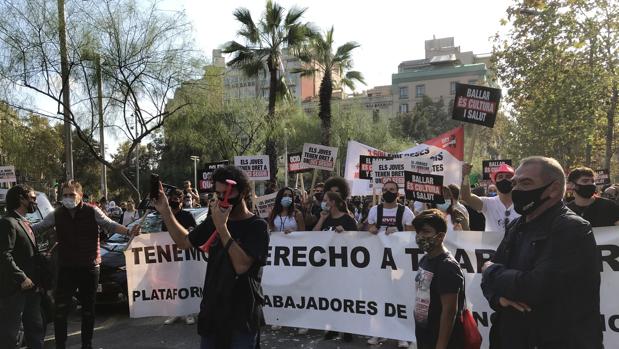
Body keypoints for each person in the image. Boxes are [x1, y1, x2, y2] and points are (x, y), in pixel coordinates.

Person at [481, 156, 602, 348]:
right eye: (515, 183)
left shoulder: (572, 228)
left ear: (553, 189)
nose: (517, 190)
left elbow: (535, 287)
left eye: (526, 183)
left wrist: (490, 270)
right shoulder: (516, 225)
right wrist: (499, 298)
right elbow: (488, 284)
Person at [153, 166, 269, 348]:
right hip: (213, 312)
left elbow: (242, 266)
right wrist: (166, 211)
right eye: (218, 194)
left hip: (242, 315)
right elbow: (184, 242)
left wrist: (222, 228)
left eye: (228, 193)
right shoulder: (214, 219)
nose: (223, 200)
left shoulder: (257, 226)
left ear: (243, 192)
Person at [31, 180, 140, 349]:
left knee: (88, 311)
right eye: (65, 195)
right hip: (66, 268)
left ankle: (86, 345)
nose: (67, 198)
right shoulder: (57, 213)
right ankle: (61, 345)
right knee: (60, 311)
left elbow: (109, 225)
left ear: (80, 195)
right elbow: (39, 227)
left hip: (90, 267)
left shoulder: (92, 211)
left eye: (71, 194)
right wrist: (18, 226)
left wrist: (128, 231)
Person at [366, 181, 413, 348]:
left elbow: (411, 233)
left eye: (391, 190)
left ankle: (402, 334)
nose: (388, 192)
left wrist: (397, 234)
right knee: (380, 295)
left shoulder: (405, 211)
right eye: (385, 190)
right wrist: (373, 229)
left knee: (400, 296)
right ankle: (380, 331)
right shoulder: (374, 210)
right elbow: (369, 226)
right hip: (380, 259)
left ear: (398, 193)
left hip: (399, 261)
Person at [412, 209, 465, 349]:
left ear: (440, 236)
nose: (420, 236)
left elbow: (449, 312)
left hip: (441, 340)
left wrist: (440, 346)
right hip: (425, 336)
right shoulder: (425, 259)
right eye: (418, 231)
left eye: (426, 231)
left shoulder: (447, 267)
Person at [0, 185, 45, 349]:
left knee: (36, 329)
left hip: (32, 288)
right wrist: (22, 277)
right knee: (10, 334)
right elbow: (4, 255)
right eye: (33, 198)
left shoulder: (24, 222)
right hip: (15, 289)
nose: (35, 202)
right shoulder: (8, 222)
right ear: (22, 199)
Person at [312, 191, 357, 342]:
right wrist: (322, 219)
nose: (323, 203)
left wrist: (345, 233)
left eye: (325, 200)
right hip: (327, 266)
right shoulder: (325, 218)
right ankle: (332, 328)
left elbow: (357, 242)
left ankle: (348, 330)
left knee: (345, 297)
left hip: (344, 266)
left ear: (333, 202)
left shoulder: (347, 219)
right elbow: (313, 237)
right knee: (331, 297)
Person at [161, 189, 198, 325]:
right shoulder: (166, 217)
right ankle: (176, 312)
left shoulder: (187, 215)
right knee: (173, 284)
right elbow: (162, 237)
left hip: (186, 256)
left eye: (177, 198)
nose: (174, 200)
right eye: (172, 198)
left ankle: (189, 312)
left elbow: (195, 233)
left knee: (186, 283)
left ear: (181, 200)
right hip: (171, 257)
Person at [461, 163, 520, 233]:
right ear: (495, 182)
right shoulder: (488, 203)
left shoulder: (522, 204)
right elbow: (466, 197)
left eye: (508, 177)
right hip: (492, 244)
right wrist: (465, 176)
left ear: (514, 181)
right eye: (500, 177)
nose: (504, 179)